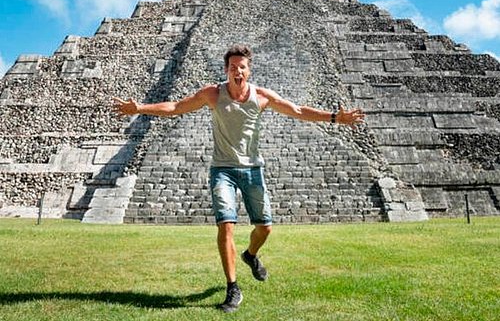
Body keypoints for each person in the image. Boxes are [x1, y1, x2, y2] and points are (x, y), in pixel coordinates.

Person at [113, 44, 364, 313]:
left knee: (265, 228)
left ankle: (251, 255)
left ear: (248, 70)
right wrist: (139, 108)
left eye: (241, 67)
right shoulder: (212, 94)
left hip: (253, 170)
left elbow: (299, 111)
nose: (237, 71)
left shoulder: (262, 96)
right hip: (222, 170)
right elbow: (176, 106)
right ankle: (232, 287)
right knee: (226, 226)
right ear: (226, 71)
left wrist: (336, 117)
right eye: (232, 67)